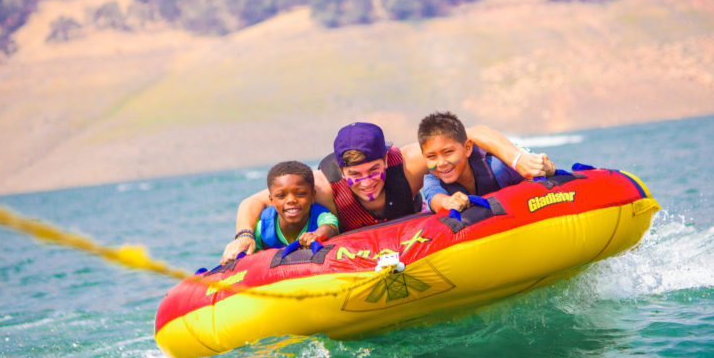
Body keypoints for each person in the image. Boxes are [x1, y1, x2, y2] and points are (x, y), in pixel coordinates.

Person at [221, 119, 555, 264]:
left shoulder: (407, 163)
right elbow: (254, 200)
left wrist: (518, 158)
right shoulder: (325, 185)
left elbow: (475, 132)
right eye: (355, 175)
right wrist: (243, 234)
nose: (366, 182)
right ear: (343, 171)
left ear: (385, 158)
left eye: (373, 171)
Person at [418, 111, 556, 213]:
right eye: (431, 156)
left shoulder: (496, 166)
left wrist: (544, 168)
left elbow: (535, 174)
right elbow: (437, 200)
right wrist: (448, 202)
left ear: (467, 148)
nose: (441, 163)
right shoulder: (432, 179)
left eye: (448, 152)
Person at [236, 160, 339, 252]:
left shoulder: (321, 216)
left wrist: (316, 235)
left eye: (300, 193)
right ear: (272, 201)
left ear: (312, 196)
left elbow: (330, 226)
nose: (291, 200)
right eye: (281, 195)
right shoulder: (263, 228)